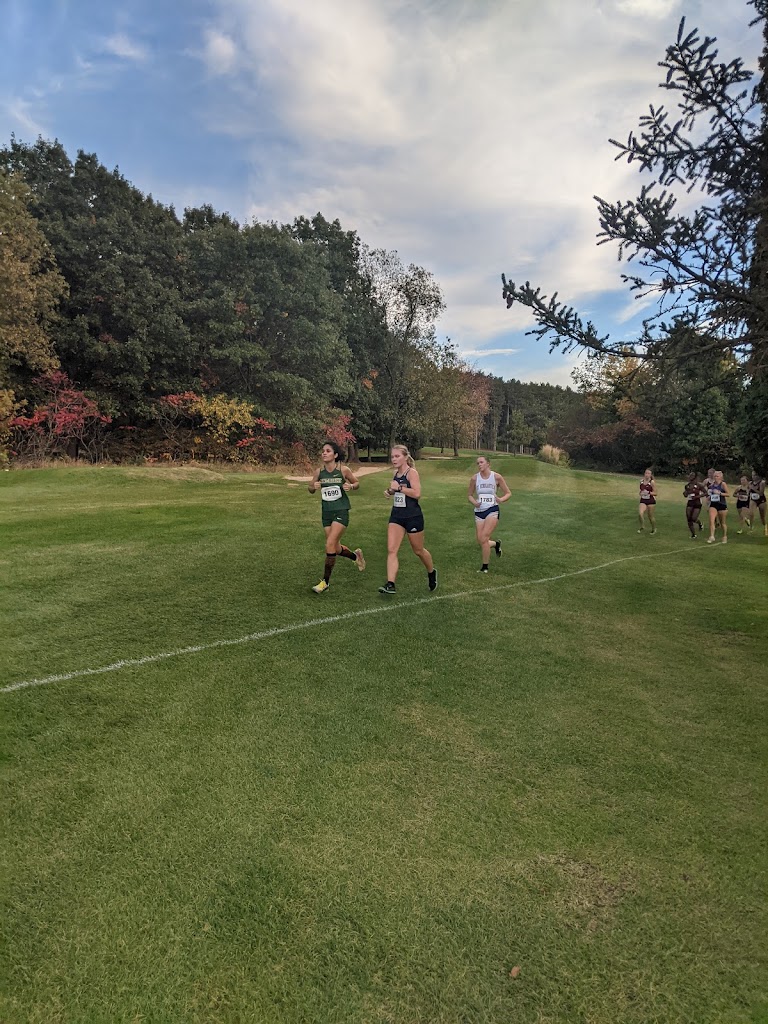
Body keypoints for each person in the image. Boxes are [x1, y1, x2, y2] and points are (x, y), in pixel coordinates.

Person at [378, 445, 437, 595]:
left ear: (405, 457)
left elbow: (417, 493)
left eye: (397, 456)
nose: (394, 459)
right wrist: (390, 491)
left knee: (418, 550)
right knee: (391, 550)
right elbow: (396, 489)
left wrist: (398, 489)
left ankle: (431, 572)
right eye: (392, 457)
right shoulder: (395, 473)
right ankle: (390, 584)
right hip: (396, 516)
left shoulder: (412, 473)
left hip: (413, 517)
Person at [307, 441, 365, 593]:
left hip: (341, 511)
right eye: (323, 451)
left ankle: (325, 582)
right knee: (335, 547)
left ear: (335, 455)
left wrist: (351, 486)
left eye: (328, 451)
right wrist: (314, 486)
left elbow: (357, 483)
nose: (324, 453)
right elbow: (310, 488)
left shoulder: (343, 470)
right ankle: (355, 556)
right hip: (326, 513)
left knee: (329, 544)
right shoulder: (319, 472)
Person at [468, 455, 511, 572]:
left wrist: (501, 499)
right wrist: (475, 503)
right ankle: (496, 544)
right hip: (479, 511)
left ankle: (485, 567)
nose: (479, 465)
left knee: (484, 537)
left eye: (481, 462)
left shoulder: (496, 477)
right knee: (481, 540)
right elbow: (469, 495)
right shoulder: (474, 478)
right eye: (478, 463)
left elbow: (508, 493)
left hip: (492, 509)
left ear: (488, 464)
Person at [706, 470, 729, 544]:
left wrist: (720, 493)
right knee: (711, 520)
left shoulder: (723, 484)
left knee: (723, 523)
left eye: (717, 476)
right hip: (713, 504)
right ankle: (712, 536)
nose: (715, 477)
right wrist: (709, 497)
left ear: (721, 477)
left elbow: (728, 494)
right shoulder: (711, 485)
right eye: (714, 476)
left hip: (722, 504)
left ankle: (724, 536)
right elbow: (709, 494)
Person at [683, 471, 706, 538]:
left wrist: (697, 496)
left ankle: (700, 524)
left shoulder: (699, 485)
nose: (690, 476)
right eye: (690, 475)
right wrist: (685, 493)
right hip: (690, 502)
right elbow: (685, 494)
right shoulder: (687, 485)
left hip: (697, 502)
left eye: (692, 475)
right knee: (689, 518)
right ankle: (693, 534)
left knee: (694, 518)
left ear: (695, 477)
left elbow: (706, 493)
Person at [637, 468, 658, 534]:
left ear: (651, 475)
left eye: (648, 473)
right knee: (640, 513)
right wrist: (640, 493)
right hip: (643, 500)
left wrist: (648, 492)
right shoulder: (641, 481)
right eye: (646, 473)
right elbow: (641, 491)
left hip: (651, 501)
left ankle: (654, 528)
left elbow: (656, 493)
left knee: (650, 516)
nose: (647, 475)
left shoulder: (652, 482)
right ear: (644, 474)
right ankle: (642, 526)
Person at [748, 470, 767, 536]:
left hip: (761, 500)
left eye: (755, 475)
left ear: (758, 476)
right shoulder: (750, 483)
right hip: (753, 499)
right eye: (752, 475)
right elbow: (749, 491)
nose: (753, 477)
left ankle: (765, 527)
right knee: (751, 513)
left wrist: (753, 488)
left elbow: (761, 493)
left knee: (762, 517)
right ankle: (751, 528)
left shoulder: (762, 483)